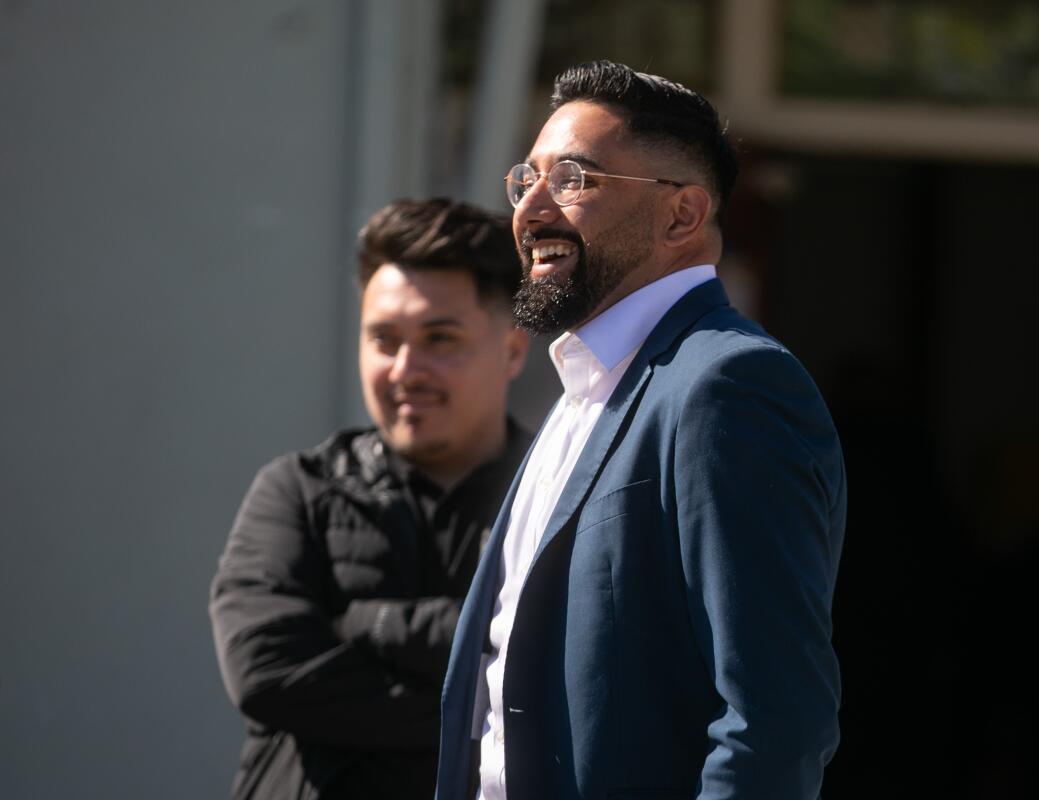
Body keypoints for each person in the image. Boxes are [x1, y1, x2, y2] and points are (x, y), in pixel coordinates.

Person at [434, 61, 847, 800]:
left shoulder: (728, 386)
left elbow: (774, 719)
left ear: (683, 216)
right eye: (525, 180)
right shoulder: (584, 388)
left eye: (572, 179)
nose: (530, 209)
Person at [210, 198, 532, 799]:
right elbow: (266, 670)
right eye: (384, 339)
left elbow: (561, 666)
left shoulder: (557, 500)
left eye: (440, 338)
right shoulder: (300, 490)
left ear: (512, 350)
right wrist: (477, 713)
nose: (406, 369)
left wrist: (370, 625)